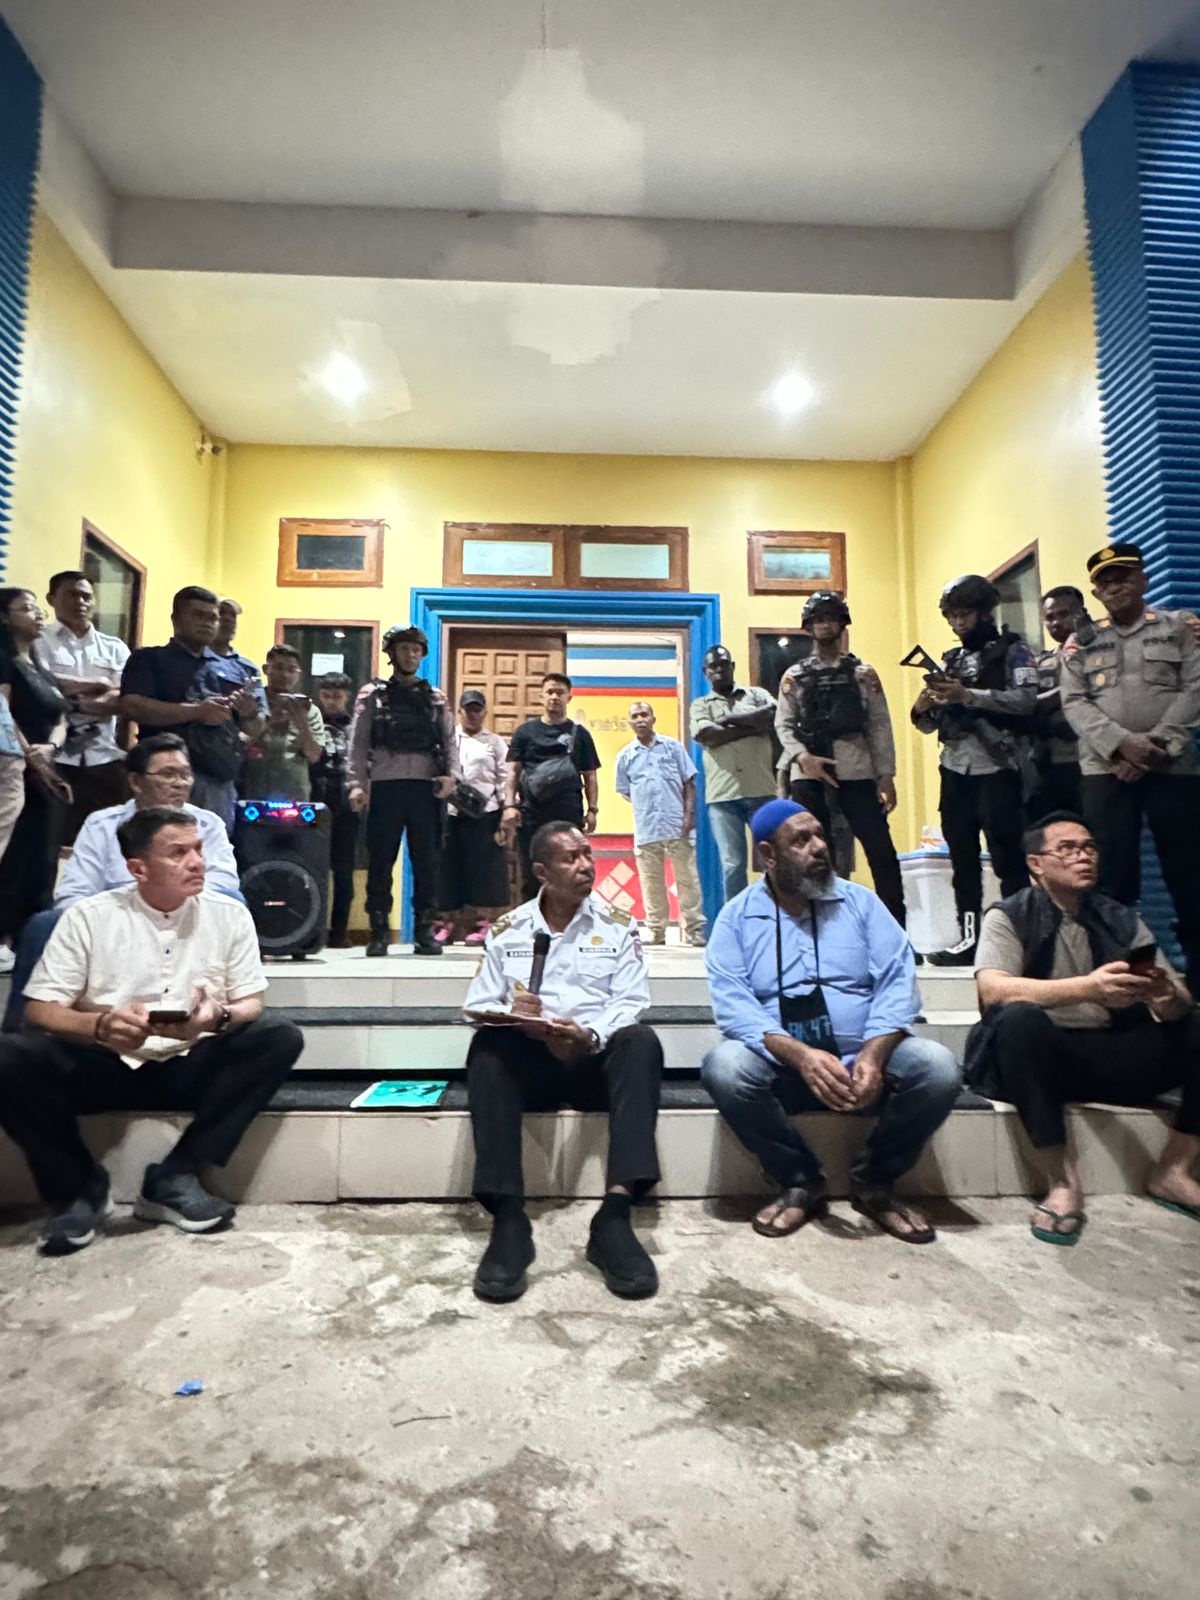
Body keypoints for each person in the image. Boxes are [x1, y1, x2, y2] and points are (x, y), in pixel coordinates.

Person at [0, 806, 304, 1256]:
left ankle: (176, 1175)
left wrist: (216, 1018)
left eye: (198, 849)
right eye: (178, 853)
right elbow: (40, 1010)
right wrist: (100, 1025)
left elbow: (250, 1002)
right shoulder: (89, 916)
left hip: (190, 1060)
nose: (197, 862)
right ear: (137, 868)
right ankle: (79, 1188)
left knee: (278, 1036)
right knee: (8, 1056)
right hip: (104, 1061)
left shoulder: (229, 915)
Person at [701, 799, 960, 1245]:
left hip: (866, 1059)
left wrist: (874, 1054)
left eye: (820, 835)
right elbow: (733, 1005)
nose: (820, 847)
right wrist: (800, 1055)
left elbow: (898, 981)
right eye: (801, 840)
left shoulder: (862, 904)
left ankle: (875, 1181)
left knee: (938, 1068)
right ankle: (800, 1180)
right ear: (768, 855)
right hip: (783, 1063)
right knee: (724, 1067)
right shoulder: (736, 918)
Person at [967, 811, 1200, 1243]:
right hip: (1039, 1060)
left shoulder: (1121, 917)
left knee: (1195, 1023)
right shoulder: (1010, 915)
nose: (1083, 856)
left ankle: (1173, 1170)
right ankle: (1062, 1181)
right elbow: (993, 991)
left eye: (1090, 847)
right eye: (1068, 848)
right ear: (1036, 863)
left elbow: (1179, 998)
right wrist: (1087, 989)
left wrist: (1167, 997)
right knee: (1018, 1019)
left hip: (1110, 1052)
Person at [463, 820, 661, 1302]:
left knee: (641, 1042)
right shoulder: (509, 930)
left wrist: (588, 1036)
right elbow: (477, 1002)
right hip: (534, 1064)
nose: (586, 865)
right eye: (571, 858)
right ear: (541, 872)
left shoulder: (618, 925)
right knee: (487, 1049)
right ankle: (509, 1219)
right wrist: (512, 1013)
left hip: (593, 1061)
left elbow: (631, 1000)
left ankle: (615, 1217)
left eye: (587, 854)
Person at [3, 731, 244, 1032]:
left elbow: (224, 883)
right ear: (136, 782)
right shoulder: (102, 824)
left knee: (235, 902)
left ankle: (220, 1016)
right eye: (167, 774)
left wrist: (166, 903)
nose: (180, 783)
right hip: (112, 921)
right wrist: (117, 917)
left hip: (185, 915)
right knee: (43, 924)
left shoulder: (208, 824)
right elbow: (74, 893)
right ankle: (20, 1033)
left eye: (185, 774)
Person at [1061, 542, 1200, 996]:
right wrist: (1122, 746)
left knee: (1189, 871)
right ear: (1095, 593)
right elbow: (1074, 701)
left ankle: (1196, 979)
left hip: (1173, 768)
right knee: (1111, 876)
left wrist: (1157, 746)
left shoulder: (1180, 627)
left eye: (1123, 576)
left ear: (1143, 579)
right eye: (1105, 582)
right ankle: (1121, 979)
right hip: (1106, 770)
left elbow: (1195, 687)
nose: (1114, 586)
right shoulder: (1081, 640)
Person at [910, 574, 1037, 965]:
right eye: (951, 616)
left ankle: (1022, 940)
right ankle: (969, 940)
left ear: (984, 612)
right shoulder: (951, 660)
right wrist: (926, 705)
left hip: (998, 767)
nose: (957, 623)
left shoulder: (1015, 652)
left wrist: (970, 696)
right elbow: (927, 724)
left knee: (1008, 858)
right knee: (962, 858)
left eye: (964, 614)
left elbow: (1026, 701)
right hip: (954, 768)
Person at [776, 591, 905, 927]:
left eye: (830, 618)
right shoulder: (795, 676)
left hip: (856, 768)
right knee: (812, 853)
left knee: (881, 851)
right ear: (808, 626)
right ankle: (816, 923)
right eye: (818, 620)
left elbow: (879, 725)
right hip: (809, 773)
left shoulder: (863, 674)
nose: (824, 625)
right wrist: (802, 757)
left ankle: (894, 926)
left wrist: (886, 775)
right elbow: (783, 724)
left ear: (842, 623)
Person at [346, 625, 459, 958]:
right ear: (391, 653)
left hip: (427, 788)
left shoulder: (435, 697)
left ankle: (425, 930)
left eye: (415, 650)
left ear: (422, 655)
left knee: (427, 863)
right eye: (404, 649)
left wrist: (452, 777)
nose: (410, 655)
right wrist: (355, 784)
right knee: (381, 861)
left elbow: (450, 741)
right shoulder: (372, 695)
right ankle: (379, 929)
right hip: (385, 787)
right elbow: (358, 742)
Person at [119, 585, 265, 831]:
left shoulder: (237, 669)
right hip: (163, 777)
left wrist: (249, 714)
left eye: (213, 617)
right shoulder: (149, 659)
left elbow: (255, 727)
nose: (207, 623)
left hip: (219, 782)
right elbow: (132, 706)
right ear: (176, 619)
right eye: (199, 615)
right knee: (158, 843)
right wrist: (196, 712)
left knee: (211, 850)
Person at [33, 570, 130, 842]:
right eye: (71, 594)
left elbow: (123, 698)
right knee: (48, 843)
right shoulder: (38, 640)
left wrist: (71, 702)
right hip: (52, 759)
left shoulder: (115, 648)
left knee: (104, 843)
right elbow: (37, 684)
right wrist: (97, 684)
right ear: (51, 599)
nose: (80, 602)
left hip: (104, 758)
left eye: (86, 596)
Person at [0, 588, 72, 952]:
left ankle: (31, 937)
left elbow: (62, 716)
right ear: (5, 618)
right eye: (26, 608)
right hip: (16, 768)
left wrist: (52, 748)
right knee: (14, 854)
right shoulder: (5, 661)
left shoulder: (40, 665)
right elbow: (4, 715)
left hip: (46, 765)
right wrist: (32, 755)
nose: (38, 614)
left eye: (37, 608)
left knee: (43, 856)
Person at [498, 673, 601, 901]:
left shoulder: (580, 734)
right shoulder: (525, 732)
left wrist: (592, 810)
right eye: (550, 692)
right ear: (541, 696)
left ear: (569, 697)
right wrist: (509, 806)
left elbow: (590, 776)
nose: (554, 697)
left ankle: (573, 919)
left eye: (560, 692)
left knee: (572, 868)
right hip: (531, 813)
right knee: (532, 871)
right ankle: (535, 920)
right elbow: (513, 771)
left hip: (568, 813)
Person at [614, 700, 707, 947]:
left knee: (687, 879)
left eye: (644, 714)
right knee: (651, 882)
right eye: (635, 716)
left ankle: (695, 929)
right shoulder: (625, 756)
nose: (640, 719)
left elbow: (689, 784)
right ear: (629, 722)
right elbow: (625, 792)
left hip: (677, 824)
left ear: (653, 719)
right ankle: (656, 931)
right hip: (646, 827)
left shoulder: (673, 748)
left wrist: (688, 817)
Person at [689, 645, 777, 903]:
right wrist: (753, 726)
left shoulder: (757, 694)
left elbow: (773, 714)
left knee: (775, 859)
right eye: (713, 666)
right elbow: (707, 735)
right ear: (705, 672)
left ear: (732, 666)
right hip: (723, 797)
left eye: (723, 664)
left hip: (761, 792)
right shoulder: (700, 705)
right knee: (733, 864)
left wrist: (728, 720)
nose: (719, 669)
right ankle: (738, 918)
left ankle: (777, 912)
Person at [434, 689, 508, 946]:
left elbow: (504, 779)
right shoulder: (448, 740)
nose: (473, 714)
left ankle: (483, 924)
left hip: (485, 814)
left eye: (478, 710)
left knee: (484, 870)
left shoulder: (495, 743)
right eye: (468, 710)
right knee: (446, 868)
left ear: (485, 712)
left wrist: (505, 814)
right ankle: (445, 923)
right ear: (460, 712)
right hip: (451, 813)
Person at [1029, 586, 1088, 820]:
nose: (1055, 623)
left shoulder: (1100, 651)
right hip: (1048, 763)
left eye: (1063, 614)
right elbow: (1025, 703)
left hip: (1090, 761)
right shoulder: (1042, 661)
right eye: (1049, 617)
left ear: (1081, 613)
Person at [311, 672, 360, 948]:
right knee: (313, 865)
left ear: (347, 696)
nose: (331, 701)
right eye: (327, 695)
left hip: (346, 801)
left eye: (337, 696)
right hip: (316, 797)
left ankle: (339, 932)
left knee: (343, 870)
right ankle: (312, 930)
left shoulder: (355, 726)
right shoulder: (312, 722)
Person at [242, 644, 325, 801]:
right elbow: (239, 745)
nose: (285, 675)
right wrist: (271, 721)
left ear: (298, 674)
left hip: (294, 795)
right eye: (278, 667)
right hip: (252, 792)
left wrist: (302, 723)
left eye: (291, 670)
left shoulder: (309, 710)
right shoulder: (252, 704)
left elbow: (314, 756)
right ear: (266, 669)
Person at [213, 597, 262, 688]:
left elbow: (258, 696)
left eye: (233, 615)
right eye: (221, 612)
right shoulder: (194, 660)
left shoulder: (248, 668)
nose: (228, 619)